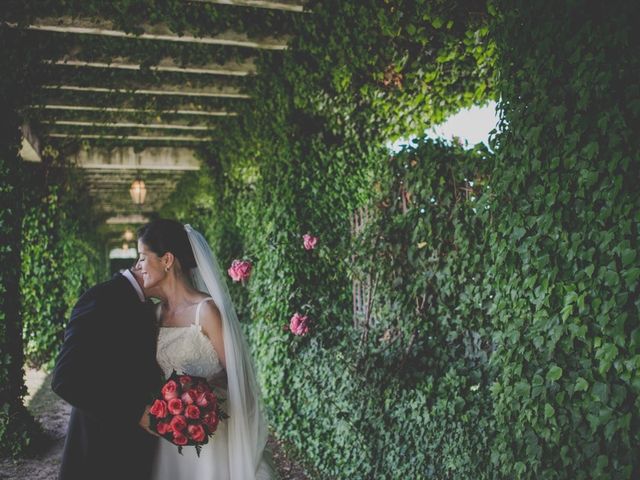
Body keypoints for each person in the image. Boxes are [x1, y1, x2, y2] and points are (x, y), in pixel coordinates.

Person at [136, 219, 274, 480]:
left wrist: (201, 398)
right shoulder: (153, 315)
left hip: (211, 436)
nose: (138, 266)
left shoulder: (206, 311)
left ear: (166, 259)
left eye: (143, 257)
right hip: (170, 436)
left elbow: (238, 377)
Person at [51, 265, 161, 480]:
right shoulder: (102, 297)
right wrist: (135, 412)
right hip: (98, 451)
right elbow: (65, 379)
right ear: (165, 261)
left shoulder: (147, 305)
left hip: (133, 453)